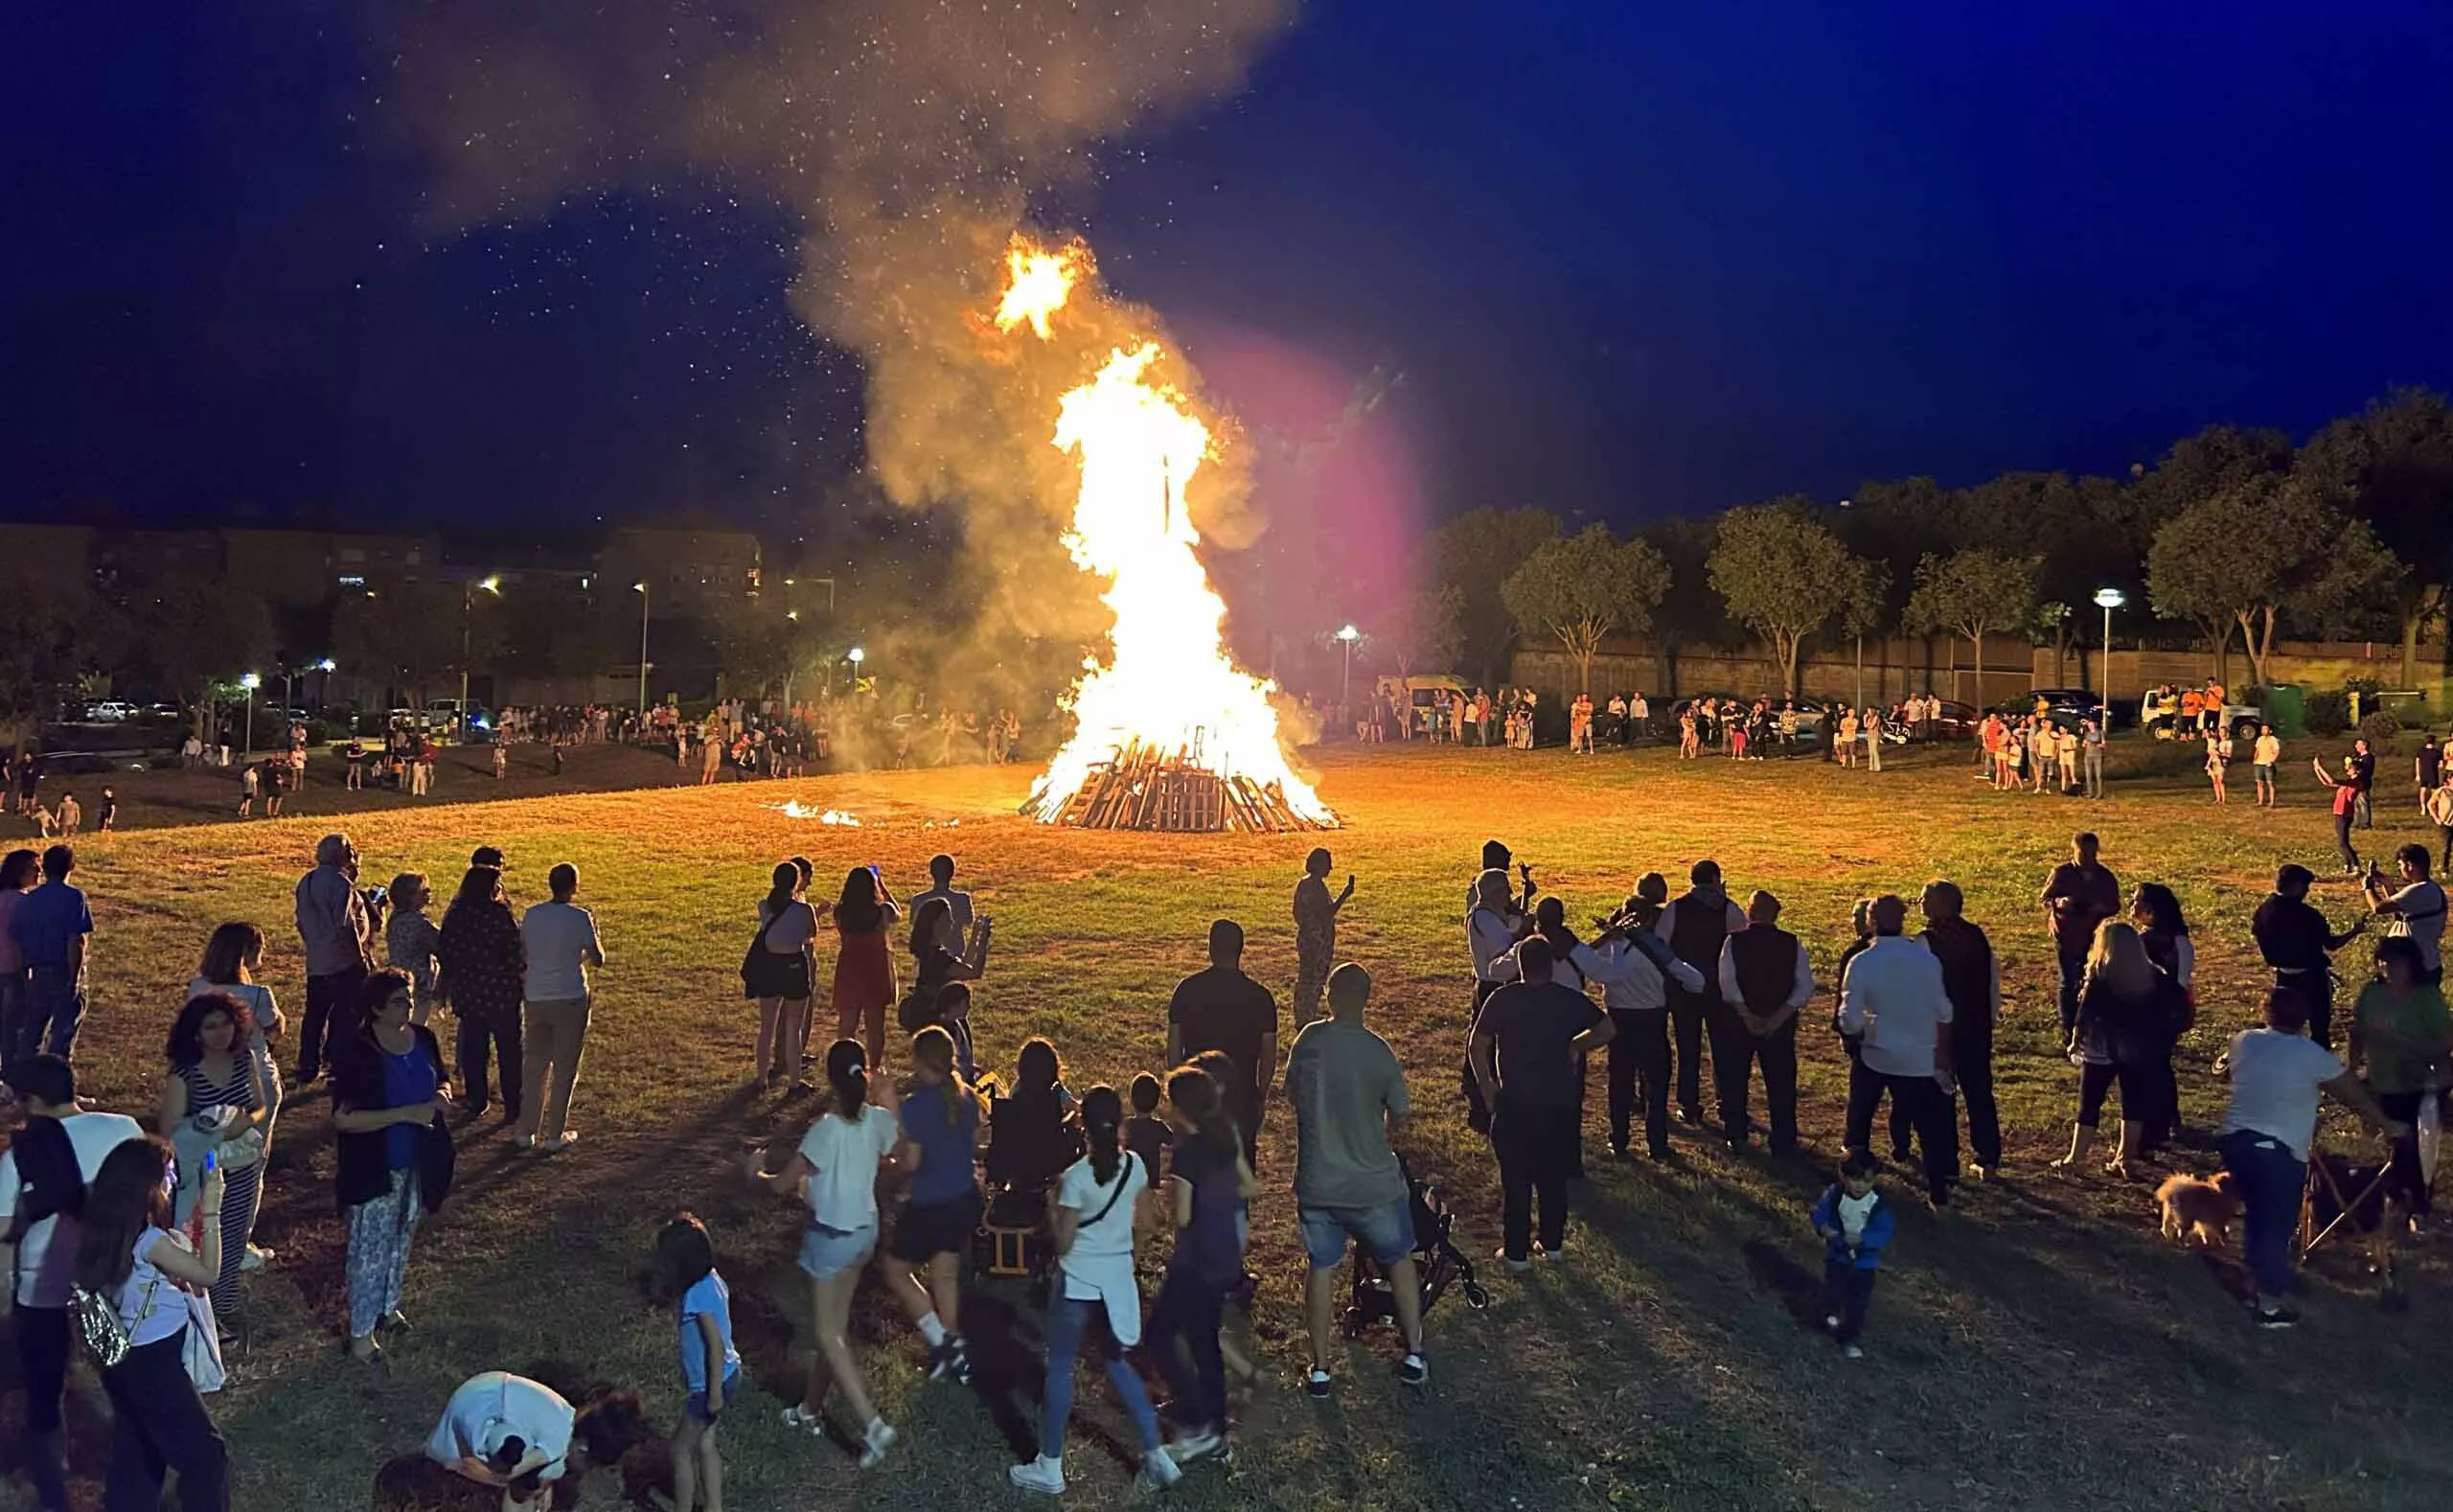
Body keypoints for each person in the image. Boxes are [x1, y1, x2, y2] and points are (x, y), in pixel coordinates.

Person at [1011, 1083, 1181, 1495]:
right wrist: (1126, 1254)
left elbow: (1065, 1242)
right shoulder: (1135, 1166)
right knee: (1120, 1366)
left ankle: (1050, 1465)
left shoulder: (1075, 1179)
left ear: (1081, 1125)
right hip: (1116, 1283)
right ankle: (1157, 1453)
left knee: (1061, 1369)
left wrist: (1054, 1209)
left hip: (1077, 1283)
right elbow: (1149, 1221)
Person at [0, 1054, 147, 1511]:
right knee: (125, 1375)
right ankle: (134, 1468)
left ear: (33, 1101)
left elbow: (2, 1227)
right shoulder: (124, 1127)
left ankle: (54, 1489)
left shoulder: (19, 1155)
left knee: (45, 1391)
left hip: (44, 1287)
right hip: (114, 1278)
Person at [746, 1039, 902, 1464]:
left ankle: (872, 1424)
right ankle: (811, 1408)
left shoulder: (826, 1130)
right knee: (834, 1327)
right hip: (865, 1234)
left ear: (830, 1079)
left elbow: (778, 1184)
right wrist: (887, 1097)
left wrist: (754, 1172)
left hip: (832, 1239)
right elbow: (895, 1144)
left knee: (829, 1334)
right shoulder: (877, 1120)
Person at [2219, 987, 2406, 1326]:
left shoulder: (2243, 1040)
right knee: (2275, 1225)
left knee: (2259, 1216)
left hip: (2235, 1142)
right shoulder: (2311, 1054)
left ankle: (2255, 1277)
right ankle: (2270, 1305)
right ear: (2303, 1019)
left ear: (2266, 1012)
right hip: (2278, 1151)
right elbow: (2354, 1096)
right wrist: (2385, 1124)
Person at [1284, 962, 1430, 1394]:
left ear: (1329, 995)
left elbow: (1293, 1096)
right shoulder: (1378, 1051)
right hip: (1372, 1184)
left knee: (1322, 1267)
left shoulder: (1308, 1041)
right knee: (1400, 1259)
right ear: (1367, 998)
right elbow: (1400, 1113)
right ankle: (1415, 1352)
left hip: (1319, 1179)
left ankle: (1322, 1368)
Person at [71, 1136, 230, 1512]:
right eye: (168, 1176)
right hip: (154, 1363)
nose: (172, 1183)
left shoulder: (107, 1229)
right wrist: (212, 1213)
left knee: (139, 1453)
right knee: (208, 1457)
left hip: (122, 1358)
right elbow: (208, 1274)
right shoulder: (150, 1242)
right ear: (148, 1187)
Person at [332, 968, 453, 1363]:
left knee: (401, 1236)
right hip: (376, 1165)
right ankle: (362, 1331)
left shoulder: (423, 1039)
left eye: (411, 997)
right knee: (369, 1247)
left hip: (419, 1160)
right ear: (377, 1008)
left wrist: (440, 1095)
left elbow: (443, 1078)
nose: (410, 1005)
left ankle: (388, 1305)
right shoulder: (359, 1051)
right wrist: (405, 1114)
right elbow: (344, 1118)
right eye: (400, 1000)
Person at [1469, 937, 1614, 1269]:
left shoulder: (1503, 999)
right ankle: (1552, 1243)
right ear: (1551, 965)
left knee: (1515, 1180)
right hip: (1558, 1104)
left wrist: (1487, 1087)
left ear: (1520, 965)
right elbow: (1607, 1029)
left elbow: (1478, 1044)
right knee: (1553, 1177)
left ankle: (1516, 1251)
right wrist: (1577, 1046)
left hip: (1515, 1102)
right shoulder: (1568, 999)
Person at [1144, 1064, 1258, 1466]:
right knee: (1204, 1340)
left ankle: (1198, 1417)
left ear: (1181, 1109)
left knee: (1159, 1333)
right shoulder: (1225, 1135)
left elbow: (1183, 1218)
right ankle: (1213, 1426)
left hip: (1194, 1260)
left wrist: (1167, 1202)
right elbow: (1249, 1186)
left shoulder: (1188, 1153)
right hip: (1223, 1253)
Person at [154, 991, 271, 1321]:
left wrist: (245, 1122)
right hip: (204, 1166)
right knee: (200, 1234)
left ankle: (223, 1305)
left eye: (226, 1025)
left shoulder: (243, 1059)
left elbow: (259, 1106)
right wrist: (215, 1130)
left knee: (233, 1233)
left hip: (241, 1162)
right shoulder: (185, 1074)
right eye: (210, 1027)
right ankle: (195, 1309)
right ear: (195, 1033)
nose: (221, 1033)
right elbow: (170, 1131)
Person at [1837, 895, 1958, 1207]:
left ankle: (1855, 1182)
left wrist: (1861, 1031)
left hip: (1876, 1053)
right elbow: (1944, 1011)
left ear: (1872, 922)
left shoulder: (1862, 962)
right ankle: (1938, 1193)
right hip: (1917, 1057)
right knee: (1927, 1127)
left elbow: (1849, 1018)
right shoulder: (1926, 960)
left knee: (1861, 1116)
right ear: (1903, 920)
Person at [1572, 876, 1704, 1160]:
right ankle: (1657, 1144)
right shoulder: (1654, 948)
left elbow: (1598, 966)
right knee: (1656, 1085)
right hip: (1652, 1020)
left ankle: (1618, 1140)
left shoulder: (1614, 946)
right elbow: (1694, 980)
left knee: (1619, 1083)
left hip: (1619, 1020)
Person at [886, 1025, 983, 1386]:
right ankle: (954, 1342)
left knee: (896, 1271)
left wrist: (893, 1159)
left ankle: (941, 1342)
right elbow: (973, 1142)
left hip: (930, 1204)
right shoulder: (967, 1097)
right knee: (944, 1275)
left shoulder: (917, 1107)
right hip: (963, 1197)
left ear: (919, 1061)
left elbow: (911, 1162)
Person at [2052, 922, 2184, 1178]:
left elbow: (2085, 1014)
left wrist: (2075, 1039)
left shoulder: (2100, 974)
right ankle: (2125, 1157)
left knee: (2089, 1102)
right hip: (2137, 1049)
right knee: (2132, 1102)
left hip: (2101, 1049)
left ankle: (2076, 1157)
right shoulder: (2153, 976)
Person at [2349, 937, 2453, 1233]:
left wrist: (2401, 1041)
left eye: (2394, 961)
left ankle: (2418, 1206)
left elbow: (2446, 1044)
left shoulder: (2426, 997)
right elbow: (2358, 1031)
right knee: (2394, 1143)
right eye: (2382, 961)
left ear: (2411, 964)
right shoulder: (2372, 993)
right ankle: (2396, 1196)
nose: (2387, 967)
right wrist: (2353, 1068)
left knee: (2416, 1148)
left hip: (2421, 1083)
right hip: (2383, 1079)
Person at [425, 1372, 647, 1509]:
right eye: (590, 1465)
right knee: (511, 1472)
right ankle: (502, 1451)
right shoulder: (555, 1447)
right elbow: (516, 1485)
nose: (585, 1472)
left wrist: (544, 1484)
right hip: (480, 1412)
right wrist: (527, 1484)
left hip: (487, 1387)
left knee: (525, 1464)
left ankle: (505, 1448)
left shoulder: (564, 1415)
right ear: (582, 1449)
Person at [1167, 920, 1278, 1168]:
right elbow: (1268, 1056)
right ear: (1241, 949)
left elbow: (1174, 1053)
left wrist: (1178, 1098)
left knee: (1194, 1177)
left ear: (1210, 948)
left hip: (1195, 1098)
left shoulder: (1186, 991)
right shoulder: (1260, 997)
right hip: (1242, 1098)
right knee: (1239, 1176)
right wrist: (1260, 1095)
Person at [1712, 890, 1812, 1154]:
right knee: (1781, 1084)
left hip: (1738, 1024)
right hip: (1779, 1026)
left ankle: (1736, 1133)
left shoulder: (1733, 942)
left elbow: (1728, 983)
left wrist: (1746, 1015)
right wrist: (1777, 1018)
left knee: (1735, 1079)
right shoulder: (1791, 943)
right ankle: (1783, 1139)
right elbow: (1804, 987)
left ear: (1749, 912)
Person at [653, 1214, 740, 1511]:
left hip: (711, 1385)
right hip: (728, 1373)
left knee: (679, 1449)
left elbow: (714, 1345)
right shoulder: (712, 1280)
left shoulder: (696, 1295)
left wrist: (712, 1393)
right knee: (706, 1444)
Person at [1916, 881, 2002, 1179]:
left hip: (1942, 1027)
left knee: (1941, 1092)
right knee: (1979, 1091)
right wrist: (1988, 1019)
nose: (1919, 901)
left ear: (1941, 904)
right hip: (1976, 1024)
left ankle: (1946, 1158)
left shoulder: (1927, 941)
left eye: (1925, 897)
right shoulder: (1977, 936)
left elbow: (1925, 991)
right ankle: (1987, 1156)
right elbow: (1992, 982)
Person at [516, 863, 604, 1153]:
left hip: (536, 995)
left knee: (535, 1065)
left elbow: (524, 952)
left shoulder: (532, 914)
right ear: (574, 886)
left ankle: (526, 1130)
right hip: (570, 996)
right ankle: (555, 1133)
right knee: (565, 1065)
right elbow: (598, 958)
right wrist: (593, 939)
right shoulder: (581, 918)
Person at [1655, 859, 1748, 1129]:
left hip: (1685, 990)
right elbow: (1741, 948)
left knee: (1687, 1047)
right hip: (1719, 990)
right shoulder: (1729, 909)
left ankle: (1688, 1103)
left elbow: (1662, 946)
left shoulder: (1675, 908)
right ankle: (1727, 1103)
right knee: (1723, 1049)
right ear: (1717, 879)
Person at [438, 864, 524, 1124]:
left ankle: (477, 1099)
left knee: (475, 1049)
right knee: (509, 1050)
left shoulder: (456, 916)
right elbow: (513, 950)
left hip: (469, 991)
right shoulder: (499, 914)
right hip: (501, 991)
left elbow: (446, 950)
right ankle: (513, 1102)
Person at [2252, 864, 2363, 1051]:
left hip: (2283, 977)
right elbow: (2331, 944)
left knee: (2281, 1025)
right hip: (2312, 979)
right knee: (2319, 1027)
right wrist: (2355, 931)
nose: (2307, 891)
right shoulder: (2307, 915)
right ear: (2294, 886)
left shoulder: (2262, 912)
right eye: (2305, 886)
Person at [293, 833, 376, 1083]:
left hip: (317, 959)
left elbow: (301, 922)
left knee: (315, 1016)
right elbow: (345, 925)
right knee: (345, 1015)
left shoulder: (306, 881)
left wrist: (315, 944)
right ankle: (338, 1066)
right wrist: (360, 956)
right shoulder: (340, 884)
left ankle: (308, 1065)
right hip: (343, 961)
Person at [1810, 1150, 1894, 1360]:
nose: (1859, 1186)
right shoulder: (1835, 1194)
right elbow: (1820, 1213)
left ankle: (1848, 1338)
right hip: (1838, 1258)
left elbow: (1885, 1231)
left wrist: (1865, 1240)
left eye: (1866, 1181)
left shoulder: (1877, 1204)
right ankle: (1828, 1320)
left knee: (1857, 1304)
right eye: (1854, 1179)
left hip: (1864, 1266)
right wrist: (1823, 1228)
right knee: (1833, 1292)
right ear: (1843, 1177)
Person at [745, 861, 821, 1088]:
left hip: (769, 965)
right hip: (794, 965)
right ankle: (795, 1083)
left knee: (767, 1026)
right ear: (797, 882)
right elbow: (812, 933)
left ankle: (761, 1079)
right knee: (793, 1026)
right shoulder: (804, 910)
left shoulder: (764, 906)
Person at [2039, 833, 2120, 1041]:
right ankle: (2069, 1027)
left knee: (2092, 980)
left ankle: (2089, 1023)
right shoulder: (2062, 873)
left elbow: (2115, 905)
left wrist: (2101, 908)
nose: (2089, 857)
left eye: (2093, 852)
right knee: (2069, 980)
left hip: (2095, 937)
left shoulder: (2105, 877)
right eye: (2084, 852)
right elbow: (2045, 898)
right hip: (2067, 934)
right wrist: (2060, 902)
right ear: (2073, 850)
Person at [830, 867, 900, 1065]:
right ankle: (874, 1067)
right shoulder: (882, 912)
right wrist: (883, 889)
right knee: (875, 1025)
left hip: (849, 969)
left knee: (847, 1023)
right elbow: (898, 914)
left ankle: (843, 1065)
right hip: (875, 969)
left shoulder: (841, 912)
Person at [2366, 842, 2447, 988]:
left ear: (2410, 865)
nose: (2399, 869)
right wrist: (2387, 884)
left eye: (2400, 864)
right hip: (2421, 964)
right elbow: (2400, 910)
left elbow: (2379, 908)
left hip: (2416, 968)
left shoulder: (2419, 890)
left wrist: (2367, 888)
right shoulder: (2428, 890)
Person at [1291, 848, 1354, 1030]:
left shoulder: (1303, 884)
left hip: (1305, 937)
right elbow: (1327, 913)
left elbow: (1296, 912)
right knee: (1315, 979)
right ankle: (1307, 1017)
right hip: (1318, 940)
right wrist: (1345, 894)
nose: (1330, 868)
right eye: (1327, 864)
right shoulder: (1317, 888)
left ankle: (1302, 1014)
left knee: (1305, 977)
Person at [384, 873, 446, 1027]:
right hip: (418, 982)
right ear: (410, 896)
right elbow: (441, 944)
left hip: (399, 978)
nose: (428, 892)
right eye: (423, 890)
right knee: (417, 1025)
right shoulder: (417, 922)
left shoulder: (396, 918)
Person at [0, 847, 38, 1075]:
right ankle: (10, 1073)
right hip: (14, 969)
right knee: (12, 1026)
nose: (39, 873)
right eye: (34, 868)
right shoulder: (23, 902)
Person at [906, 854, 974, 948]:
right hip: (955, 953)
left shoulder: (919, 900)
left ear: (931, 872)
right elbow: (968, 921)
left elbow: (913, 923)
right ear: (952, 873)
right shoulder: (962, 899)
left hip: (926, 955)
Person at [2312, 753, 2364, 874]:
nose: (2348, 769)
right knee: (2342, 842)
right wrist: (2317, 770)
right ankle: (2348, 865)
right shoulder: (2350, 782)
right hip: (2339, 812)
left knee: (2343, 842)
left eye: (2351, 767)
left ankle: (2355, 865)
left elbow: (2332, 780)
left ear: (2357, 770)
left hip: (2345, 813)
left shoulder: (2356, 782)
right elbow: (2328, 783)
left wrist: (2320, 767)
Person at [1124, 1071, 1173, 1177]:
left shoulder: (1125, 1125)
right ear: (1156, 1101)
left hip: (1129, 1177)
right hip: (1150, 1177)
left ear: (1132, 1099)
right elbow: (1173, 1141)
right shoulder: (1158, 1127)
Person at [2350, 736, 2377, 829]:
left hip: (2363, 783)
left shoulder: (2369, 758)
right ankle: (2357, 821)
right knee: (2355, 803)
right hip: (2354, 783)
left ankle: (2366, 823)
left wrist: (2358, 772)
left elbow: (2367, 771)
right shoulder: (2357, 757)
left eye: (2358, 744)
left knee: (2363, 802)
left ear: (2364, 746)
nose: (2356, 746)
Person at [2253, 724, 2281, 807]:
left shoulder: (2273, 740)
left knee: (2270, 783)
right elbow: (2257, 750)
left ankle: (2272, 802)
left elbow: (2277, 751)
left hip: (2268, 764)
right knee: (2259, 782)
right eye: (2262, 729)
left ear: (2270, 731)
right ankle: (2260, 801)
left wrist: (2271, 761)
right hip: (2259, 763)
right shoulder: (2259, 739)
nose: (2263, 730)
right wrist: (2255, 759)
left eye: (2265, 729)